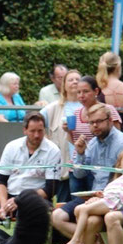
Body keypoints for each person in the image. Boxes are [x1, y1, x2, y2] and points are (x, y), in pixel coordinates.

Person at [0, 112, 61, 238]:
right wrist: (3, 205)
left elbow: (51, 189)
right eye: (32, 131)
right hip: (8, 196)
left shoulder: (53, 150)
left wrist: (20, 200)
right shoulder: (11, 147)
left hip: (37, 199)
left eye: (40, 131)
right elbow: (1, 181)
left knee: (24, 218)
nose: (37, 135)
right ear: (24, 130)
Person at [52, 103, 123, 244]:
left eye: (99, 121)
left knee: (90, 220)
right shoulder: (92, 144)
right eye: (91, 123)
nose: (95, 126)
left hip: (113, 197)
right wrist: (80, 153)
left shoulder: (121, 142)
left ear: (110, 120)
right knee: (56, 216)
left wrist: (104, 194)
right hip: (93, 196)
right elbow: (79, 175)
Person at [59, 149, 123, 244]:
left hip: (116, 200)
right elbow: (111, 191)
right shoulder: (117, 179)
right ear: (120, 165)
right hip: (108, 198)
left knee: (84, 210)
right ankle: (84, 239)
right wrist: (99, 195)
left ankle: (76, 239)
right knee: (78, 209)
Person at [66, 76, 122, 193]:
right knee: (77, 201)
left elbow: (116, 137)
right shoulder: (76, 113)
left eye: (85, 91)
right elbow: (73, 140)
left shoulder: (108, 110)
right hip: (80, 163)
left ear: (96, 91)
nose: (81, 95)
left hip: (100, 166)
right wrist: (68, 132)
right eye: (79, 92)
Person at [40, 69, 82, 202]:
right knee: (63, 203)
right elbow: (34, 121)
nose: (75, 82)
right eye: (71, 79)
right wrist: (45, 140)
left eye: (78, 79)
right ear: (64, 85)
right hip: (62, 166)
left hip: (82, 165)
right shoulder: (53, 107)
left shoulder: (89, 107)